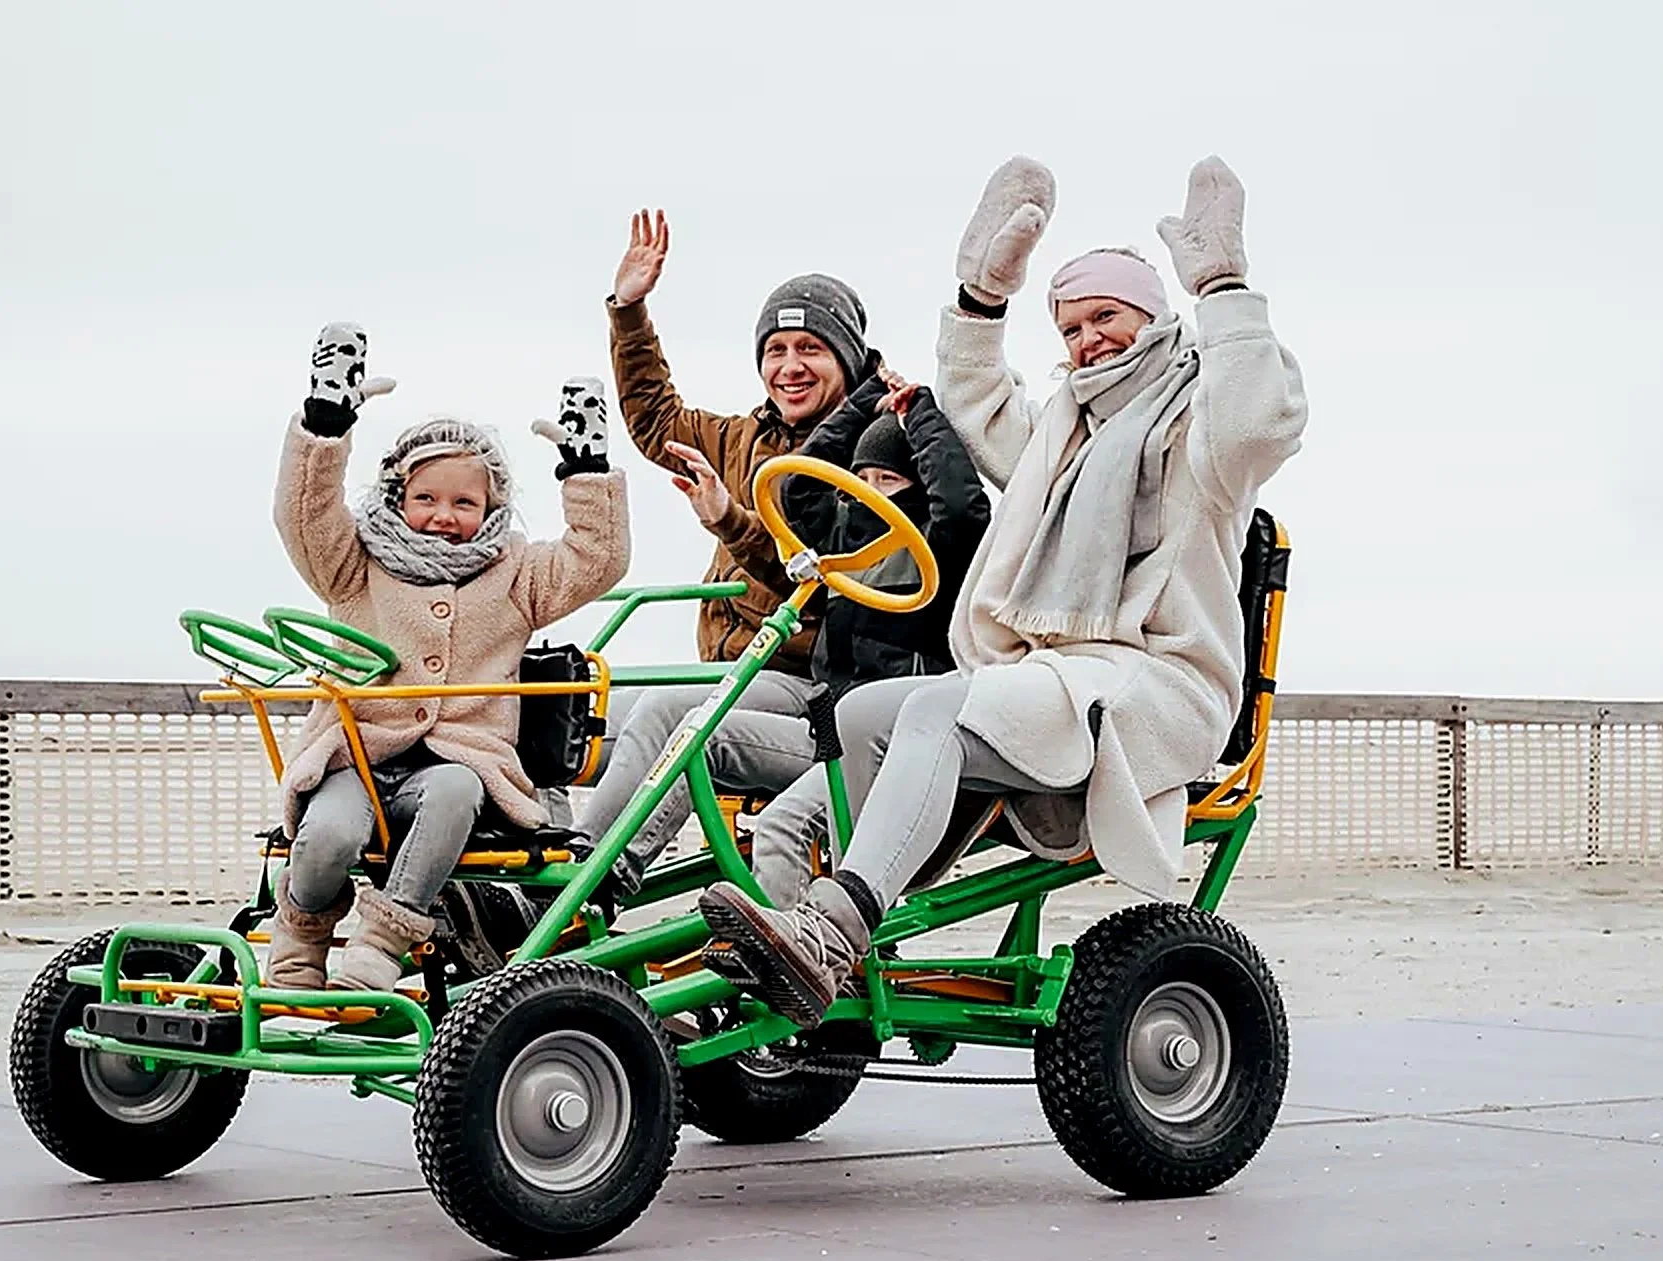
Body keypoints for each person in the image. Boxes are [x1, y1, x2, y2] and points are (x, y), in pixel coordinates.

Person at [700, 155, 1309, 1026]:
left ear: (1152, 317)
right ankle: (837, 921)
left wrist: (1225, 288)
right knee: (866, 715)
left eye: (1107, 316)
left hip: (1155, 682)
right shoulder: (1068, 430)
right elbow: (979, 399)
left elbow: (1261, 420)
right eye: (1071, 327)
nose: (1088, 340)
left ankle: (837, 930)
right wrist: (981, 297)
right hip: (1052, 678)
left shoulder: (1193, 425)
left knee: (934, 711)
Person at [267, 323, 630, 990]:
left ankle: (385, 936)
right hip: (359, 754)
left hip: (461, 767)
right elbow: (303, 516)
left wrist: (585, 470)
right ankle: (301, 933)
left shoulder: (516, 573)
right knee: (326, 839)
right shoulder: (355, 565)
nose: (443, 515)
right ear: (398, 498)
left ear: (492, 506)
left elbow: (596, 561)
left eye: (465, 502)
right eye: (426, 499)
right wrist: (325, 424)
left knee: (457, 789)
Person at [573, 365, 990, 899]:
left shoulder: (940, 546)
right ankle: (589, 857)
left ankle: (793, 957)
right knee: (674, 713)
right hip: (822, 705)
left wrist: (921, 410)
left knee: (738, 778)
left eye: (887, 482)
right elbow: (795, 486)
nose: (870, 495)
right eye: (862, 480)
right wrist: (865, 398)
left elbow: (960, 506)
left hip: (870, 735)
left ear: (916, 487)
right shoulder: (844, 534)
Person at [559, 212, 877, 838]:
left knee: (672, 718)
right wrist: (629, 311)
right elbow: (655, 420)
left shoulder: (870, 452)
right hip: (725, 670)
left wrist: (730, 521)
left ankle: (588, 881)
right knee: (558, 715)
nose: (790, 366)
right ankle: (522, 879)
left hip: (801, 677)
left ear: (848, 359)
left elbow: (824, 573)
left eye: (811, 348)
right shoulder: (740, 438)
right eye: (776, 350)